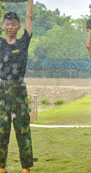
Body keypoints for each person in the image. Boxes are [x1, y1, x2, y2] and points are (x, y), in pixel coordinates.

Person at [0, 1, 34, 173]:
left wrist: (30, 1)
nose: (10, 27)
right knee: (1, 130)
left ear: (19, 26)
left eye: (14, 24)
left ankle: (26, 168)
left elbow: (29, 17)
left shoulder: (23, 43)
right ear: (2, 25)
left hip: (19, 90)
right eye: (7, 24)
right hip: (2, 91)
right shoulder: (0, 43)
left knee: (22, 128)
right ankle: (1, 167)